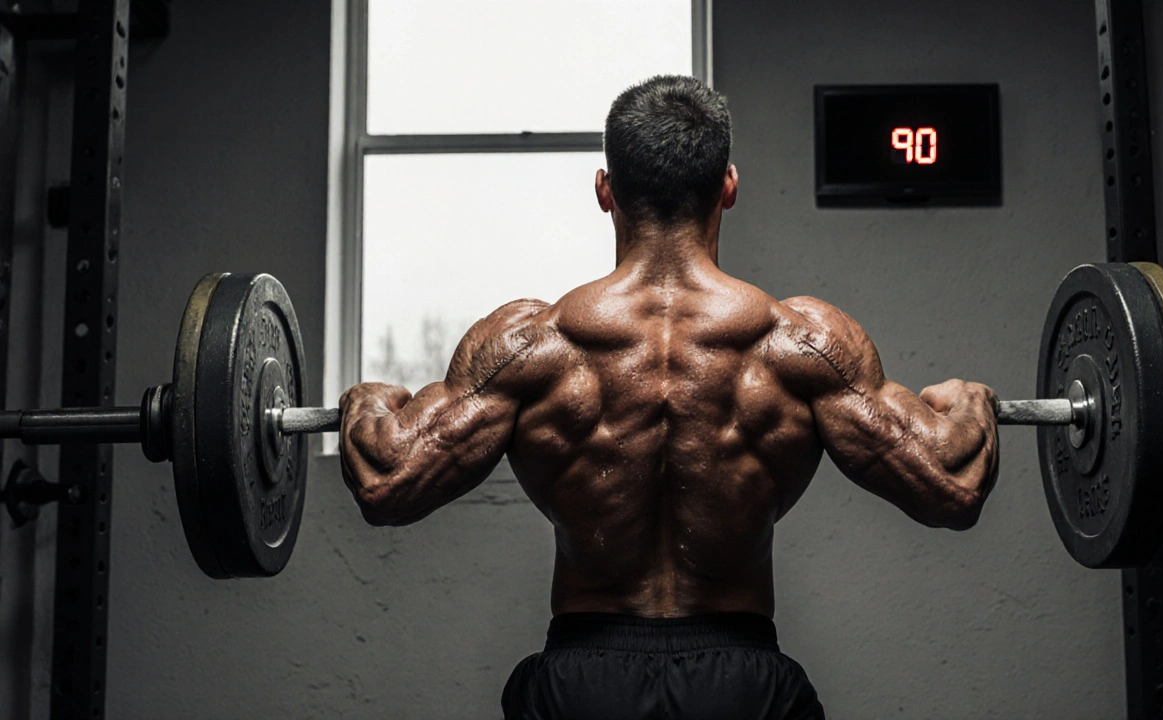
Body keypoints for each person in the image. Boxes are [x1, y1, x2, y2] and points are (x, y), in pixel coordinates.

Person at [338, 75, 1000, 720]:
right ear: (728, 186)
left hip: (581, 684)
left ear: (605, 190)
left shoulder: (532, 344)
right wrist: (968, 398)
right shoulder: (798, 342)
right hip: (740, 684)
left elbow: (388, 479)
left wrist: (369, 399)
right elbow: (952, 482)